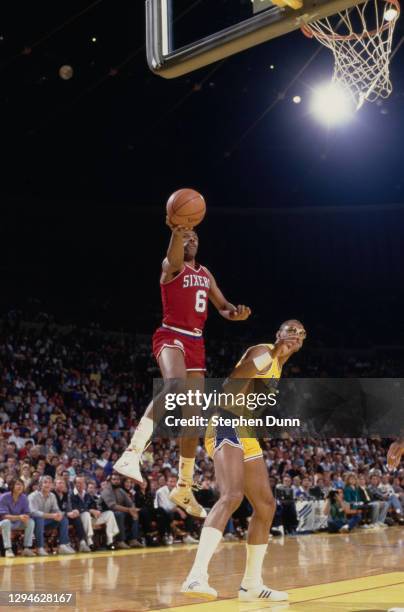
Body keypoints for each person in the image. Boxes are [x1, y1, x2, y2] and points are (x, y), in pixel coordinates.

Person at [114, 221, 251, 519]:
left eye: (194, 236)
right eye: (185, 236)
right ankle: (132, 453)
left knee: (193, 419)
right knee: (173, 386)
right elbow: (173, 257)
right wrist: (176, 231)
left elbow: (223, 306)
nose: (191, 240)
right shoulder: (171, 266)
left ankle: (184, 486)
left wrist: (236, 314)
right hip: (171, 333)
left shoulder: (205, 273)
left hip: (196, 342)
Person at [181, 320, 306, 602]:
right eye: (290, 330)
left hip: (246, 430)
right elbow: (231, 383)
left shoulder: (278, 366)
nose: (295, 336)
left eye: (300, 334)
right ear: (278, 334)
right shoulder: (263, 351)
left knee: (266, 505)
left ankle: (251, 583)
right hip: (225, 422)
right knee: (232, 495)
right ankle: (196, 576)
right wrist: (274, 350)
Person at [28, 475, 75, 556]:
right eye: (45, 482)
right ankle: (40, 548)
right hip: (34, 523)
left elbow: (56, 509)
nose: (47, 485)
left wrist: (59, 514)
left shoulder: (52, 496)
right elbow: (33, 512)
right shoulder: (33, 496)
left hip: (47, 521)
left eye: (50, 483)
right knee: (39, 519)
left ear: (52, 485)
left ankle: (62, 545)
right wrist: (51, 515)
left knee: (63, 519)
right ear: (40, 485)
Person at [71, 476, 120, 550]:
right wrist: (90, 511)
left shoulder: (87, 495)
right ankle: (89, 541)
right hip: (81, 520)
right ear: (75, 484)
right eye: (78, 483)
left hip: (92, 519)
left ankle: (110, 541)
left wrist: (97, 511)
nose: (81, 484)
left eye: (82, 482)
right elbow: (75, 509)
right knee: (86, 514)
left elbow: (94, 506)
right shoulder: (72, 495)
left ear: (85, 484)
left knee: (109, 513)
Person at [0, 478, 36, 557]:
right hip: (2, 523)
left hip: (16, 523)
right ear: (12, 486)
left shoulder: (24, 498)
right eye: (18, 484)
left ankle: (27, 548)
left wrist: (26, 516)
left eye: (22, 484)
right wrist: (19, 517)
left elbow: (27, 513)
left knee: (31, 522)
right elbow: (3, 516)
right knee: (6, 522)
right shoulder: (4, 497)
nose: (20, 486)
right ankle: (8, 549)